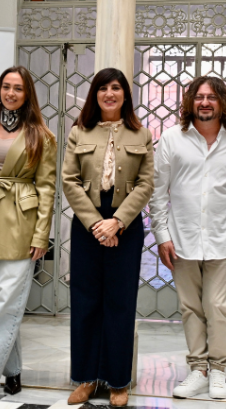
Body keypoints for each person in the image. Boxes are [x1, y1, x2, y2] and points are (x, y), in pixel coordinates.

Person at [150, 76, 226, 400]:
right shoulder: (172, 139)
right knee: (190, 307)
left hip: (222, 240)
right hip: (181, 239)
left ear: (223, 102)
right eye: (199, 97)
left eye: (212, 97)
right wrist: (162, 235)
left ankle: (218, 371)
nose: (205, 102)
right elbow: (157, 192)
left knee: (218, 307)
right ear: (190, 103)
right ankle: (198, 369)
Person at [61, 67, 154, 407]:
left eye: (116, 88)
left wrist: (116, 222)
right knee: (86, 302)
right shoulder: (79, 131)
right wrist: (96, 224)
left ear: (125, 95)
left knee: (120, 302)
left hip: (124, 225)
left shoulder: (140, 134)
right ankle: (85, 378)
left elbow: (146, 183)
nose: (109, 94)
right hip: (88, 223)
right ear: (95, 95)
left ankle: (117, 381)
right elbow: (69, 181)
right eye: (103, 88)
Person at [0, 67, 57, 405]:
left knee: (4, 304)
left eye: (17, 88)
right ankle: (13, 370)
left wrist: (41, 235)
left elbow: (47, 188)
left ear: (27, 94)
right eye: (5, 87)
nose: (10, 93)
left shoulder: (42, 136)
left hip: (22, 223)